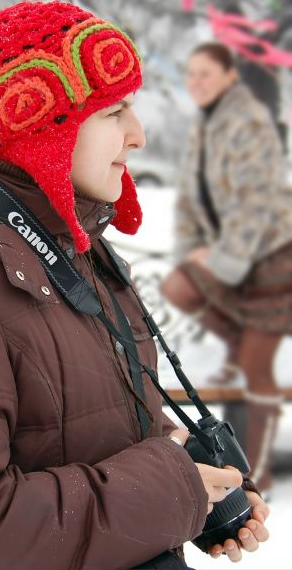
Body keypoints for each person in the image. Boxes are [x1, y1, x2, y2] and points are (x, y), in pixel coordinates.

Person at [0, 3, 269, 570]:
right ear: (41, 129)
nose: (139, 136)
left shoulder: (72, 248)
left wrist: (199, 484)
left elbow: (90, 420)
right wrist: (170, 489)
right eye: (114, 112)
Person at [161, 41, 292, 495]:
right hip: (233, 260)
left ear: (230, 76)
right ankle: (237, 342)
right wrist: (192, 252)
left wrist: (219, 260)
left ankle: (257, 472)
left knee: (257, 363)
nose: (196, 82)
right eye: (191, 73)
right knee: (179, 285)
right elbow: (189, 203)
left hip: (273, 259)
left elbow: (255, 204)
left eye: (206, 73)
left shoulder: (249, 121)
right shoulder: (206, 125)